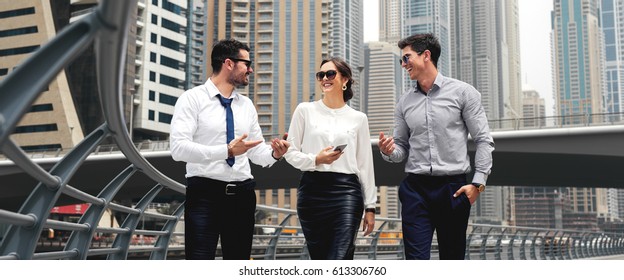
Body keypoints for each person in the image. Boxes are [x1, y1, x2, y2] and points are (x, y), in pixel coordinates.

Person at [377, 33, 495, 260]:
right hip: (415, 190)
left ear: (426, 56)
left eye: (406, 58)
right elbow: (401, 147)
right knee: (416, 260)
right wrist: (388, 151)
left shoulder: (463, 93)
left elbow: (483, 139)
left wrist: (478, 184)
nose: (403, 65)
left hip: (453, 189)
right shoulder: (404, 102)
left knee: (452, 258)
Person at [170, 38, 289, 260]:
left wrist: (274, 153)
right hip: (204, 195)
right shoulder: (191, 99)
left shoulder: (246, 105)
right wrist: (226, 151)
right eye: (247, 63)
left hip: (242, 197)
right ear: (229, 63)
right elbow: (178, 149)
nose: (250, 70)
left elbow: (254, 153)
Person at [284, 57, 377, 260]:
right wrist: (316, 159)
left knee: (340, 256)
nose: (324, 78)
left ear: (345, 80)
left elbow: (365, 165)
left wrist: (370, 206)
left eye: (330, 74)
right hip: (312, 192)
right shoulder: (304, 111)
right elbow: (290, 154)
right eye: (321, 75)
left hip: (346, 192)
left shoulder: (359, 118)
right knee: (320, 258)